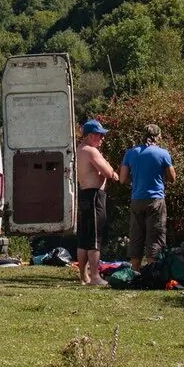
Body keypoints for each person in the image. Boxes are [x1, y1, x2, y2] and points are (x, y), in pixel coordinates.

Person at [119, 123, 176, 271]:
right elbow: (172, 177)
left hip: (137, 199)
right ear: (158, 136)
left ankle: (135, 272)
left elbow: (122, 178)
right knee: (155, 236)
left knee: (136, 236)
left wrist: (136, 180)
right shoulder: (163, 153)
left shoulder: (131, 153)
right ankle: (152, 272)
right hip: (155, 199)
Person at [75, 119, 119, 286]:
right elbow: (108, 172)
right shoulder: (91, 151)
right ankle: (95, 276)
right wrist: (112, 172)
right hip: (94, 196)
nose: (102, 139)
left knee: (84, 238)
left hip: (84, 194)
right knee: (94, 237)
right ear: (91, 135)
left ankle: (83, 275)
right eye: (100, 135)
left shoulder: (80, 149)